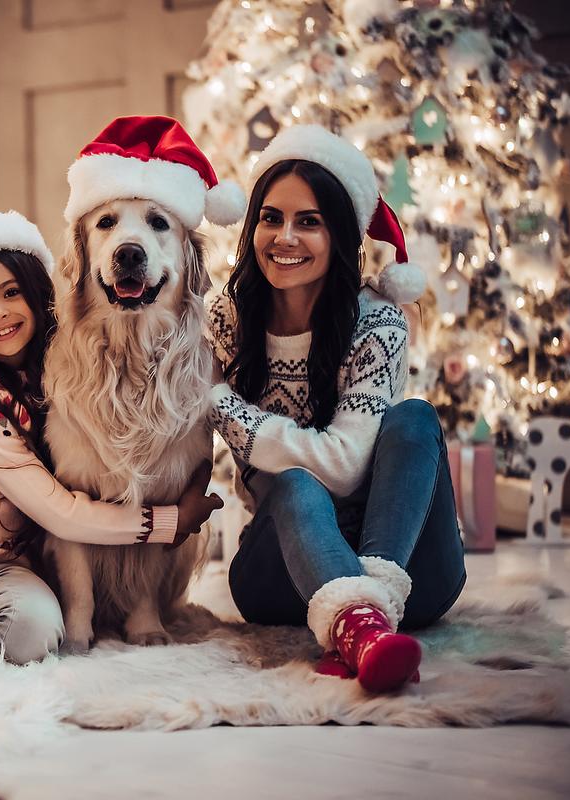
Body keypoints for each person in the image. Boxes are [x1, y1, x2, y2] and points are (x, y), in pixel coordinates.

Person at [0, 210, 223, 672]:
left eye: (11, 293)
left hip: (7, 560)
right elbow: (58, 511)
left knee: (35, 637)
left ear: (38, 296)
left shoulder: (55, 371)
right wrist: (169, 521)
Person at [206, 124, 465, 693]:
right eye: (271, 218)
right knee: (295, 487)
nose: (285, 237)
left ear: (342, 235)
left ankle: (366, 617)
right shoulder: (227, 320)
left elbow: (348, 466)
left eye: (309, 221)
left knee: (414, 419)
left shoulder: (376, 322)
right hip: (282, 576)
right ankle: (361, 630)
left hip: (407, 569)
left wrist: (223, 405)